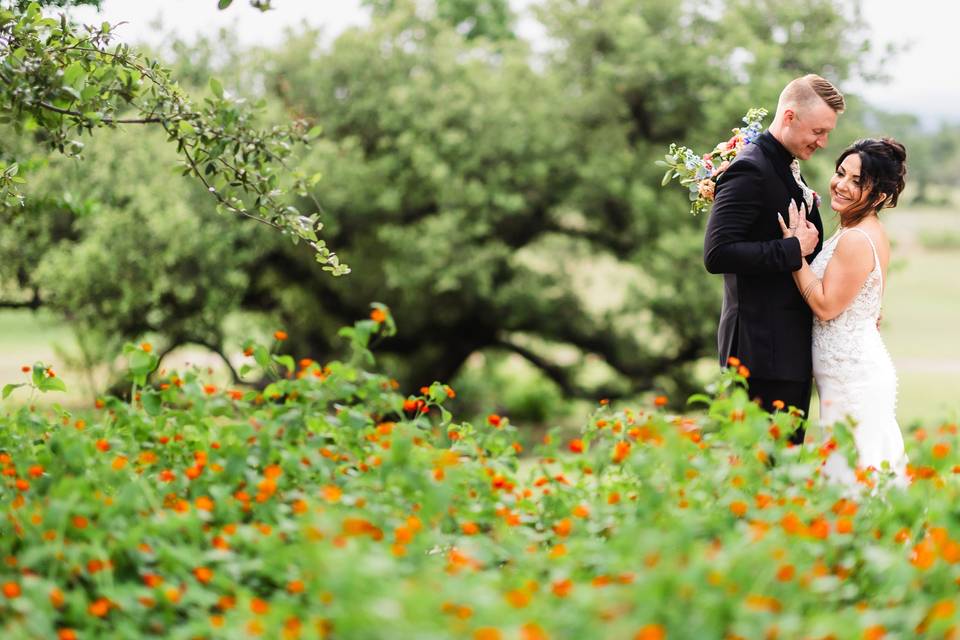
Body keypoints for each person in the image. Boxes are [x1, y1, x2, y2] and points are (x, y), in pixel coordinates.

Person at [703, 74, 845, 444]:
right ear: (789, 116)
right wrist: (790, 250)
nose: (823, 141)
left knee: (780, 473)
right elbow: (717, 253)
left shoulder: (783, 165)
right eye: (818, 130)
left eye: (827, 132)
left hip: (785, 350)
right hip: (758, 353)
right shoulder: (751, 168)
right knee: (760, 476)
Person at [778, 138, 908, 484]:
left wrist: (794, 253)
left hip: (852, 379)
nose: (841, 185)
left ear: (879, 197)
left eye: (856, 181)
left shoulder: (856, 238)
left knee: (856, 475)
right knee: (856, 471)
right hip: (848, 372)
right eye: (840, 173)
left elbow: (825, 306)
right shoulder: (857, 230)